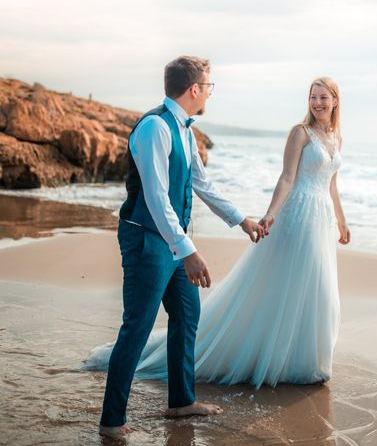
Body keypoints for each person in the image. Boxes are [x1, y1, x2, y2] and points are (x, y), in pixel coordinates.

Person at [87, 76, 350, 402]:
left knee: (317, 290)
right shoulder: (300, 133)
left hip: (320, 219)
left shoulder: (335, 136)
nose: (318, 103)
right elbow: (286, 178)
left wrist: (340, 218)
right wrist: (267, 215)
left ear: (335, 101)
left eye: (324, 97)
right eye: (313, 97)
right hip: (290, 218)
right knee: (143, 322)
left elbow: (331, 182)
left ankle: (305, 362)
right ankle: (117, 414)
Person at [97, 55, 264, 440]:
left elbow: (202, 185)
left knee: (188, 315)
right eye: (209, 86)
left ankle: (181, 401)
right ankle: (111, 419)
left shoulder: (186, 132)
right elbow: (156, 197)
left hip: (172, 241)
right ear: (194, 89)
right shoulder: (155, 127)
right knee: (137, 326)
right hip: (146, 239)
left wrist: (242, 221)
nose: (209, 93)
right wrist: (188, 250)